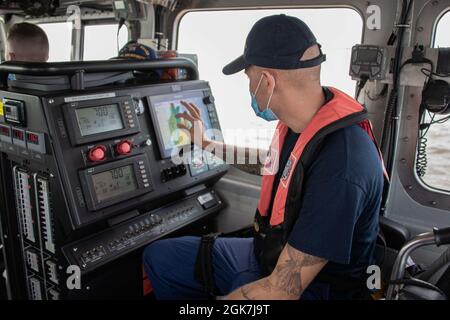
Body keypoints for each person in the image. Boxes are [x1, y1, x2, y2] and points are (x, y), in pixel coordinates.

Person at [143, 14, 385, 300]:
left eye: (249, 78)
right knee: (161, 257)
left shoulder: (342, 166)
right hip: (268, 253)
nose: (249, 87)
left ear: (267, 82)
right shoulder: (304, 122)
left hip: (315, 288)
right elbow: (269, 165)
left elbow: (282, 290)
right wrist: (206, 143)